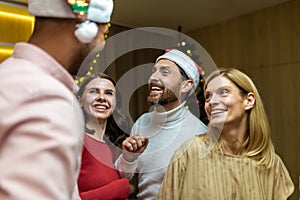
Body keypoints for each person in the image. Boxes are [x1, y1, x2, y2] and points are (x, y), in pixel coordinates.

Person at [0, 0, 114, 199]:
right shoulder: (48, 100)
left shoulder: (8, 74)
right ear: (84, 25)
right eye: (103, 35)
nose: (102, 45)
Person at [157, 68, 295, 199]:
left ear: (249, 100)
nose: (212, 102)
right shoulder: (189, 153)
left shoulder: (271, 164)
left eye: (223, 92)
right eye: (208, 96)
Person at [115, 49, 207, 200]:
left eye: (164, 73)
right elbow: (124, 176)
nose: (153, 78)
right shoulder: (142, 122)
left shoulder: (199, 134)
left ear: (186, 85)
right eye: (153, 71)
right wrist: (128, 158)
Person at [77, 73, 131, 200]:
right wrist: (118, 189)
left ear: (115, 103)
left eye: (108, 93)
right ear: (80, 100)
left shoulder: (111, 147)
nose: (102, 97)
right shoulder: (77, 139)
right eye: (93, 92)